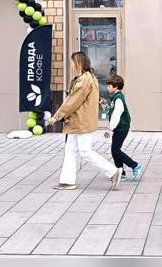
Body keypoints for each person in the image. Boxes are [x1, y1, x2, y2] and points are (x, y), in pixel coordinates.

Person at [46, 52, 122, 191]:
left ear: (78, 63)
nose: (71, 65)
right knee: (71, 150)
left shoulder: (84, 80)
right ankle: (67, 181)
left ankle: (113, 172)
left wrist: (56, 116)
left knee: (85, 151)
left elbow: (73, 100)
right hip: (77, 121)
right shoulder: (88, 77)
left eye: (72, 62)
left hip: (81, 121)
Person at [103, 75, 145, 182]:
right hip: (119, 128)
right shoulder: (115, 97)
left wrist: (109, 129)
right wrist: (105, 105)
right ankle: (121, 174)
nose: (107, 88)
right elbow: (111, 111)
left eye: (109, 86)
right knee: (115, 150)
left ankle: (135, 166)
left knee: (115, 151)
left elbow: (116, 115)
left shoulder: (118, 98)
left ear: (116, 86)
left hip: (122, 128)